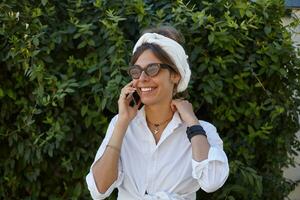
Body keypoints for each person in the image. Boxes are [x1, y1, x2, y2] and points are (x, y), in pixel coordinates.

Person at [86, 26, 229, 200]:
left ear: (175, 75)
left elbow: (212, 181)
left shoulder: (201, 131)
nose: (142, 78)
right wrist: (122, 122)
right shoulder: (122, 125)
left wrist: (192, 121)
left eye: (152, 69)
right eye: (137, 71)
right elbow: (99, 190)